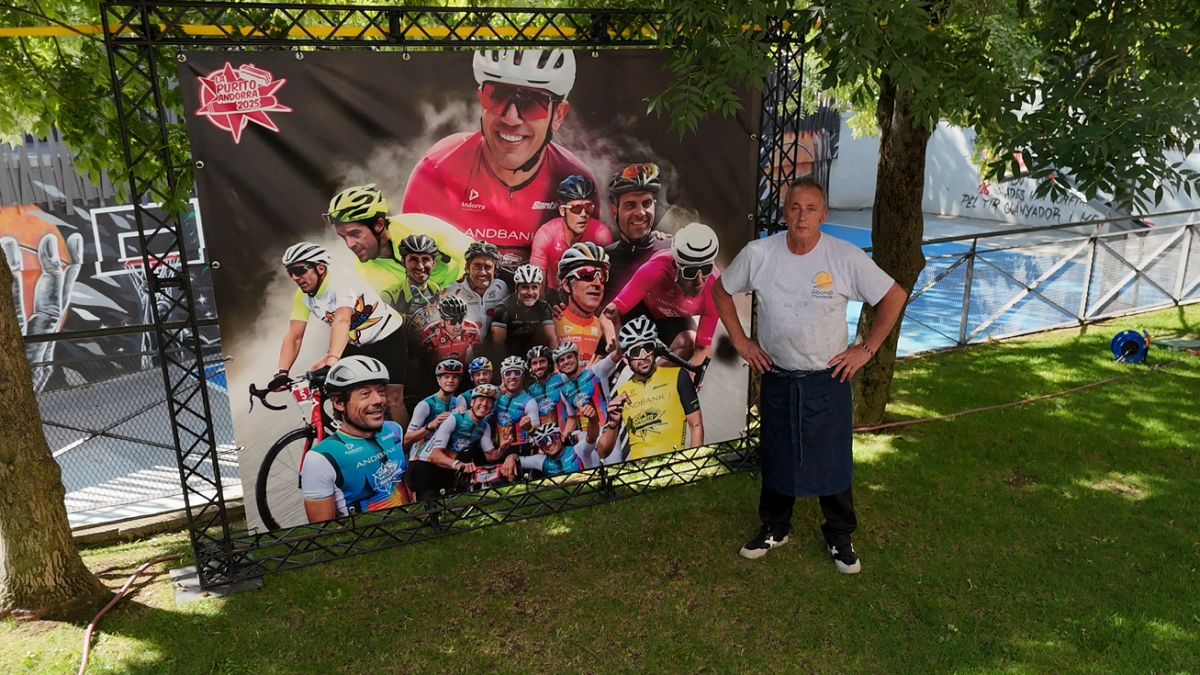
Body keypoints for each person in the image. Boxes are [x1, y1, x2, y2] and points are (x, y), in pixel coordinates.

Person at [711, 176, 907, 572]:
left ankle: (840, 535)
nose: (802, 216)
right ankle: (774, 527)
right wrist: (742, 342)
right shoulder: (759, 254)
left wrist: (865, 350)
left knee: (833, 459)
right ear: (785, 212)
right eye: (795, 207)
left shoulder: (843, 256)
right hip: (777, 374)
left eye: (811, 209)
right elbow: (720, 290)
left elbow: (894, 295)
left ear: (823, 215)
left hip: (827, 379)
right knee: (776, 454)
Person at [402, 49, 597, 271]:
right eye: (496, 96)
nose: (511, 118)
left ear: (558, 115)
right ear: (481, 99)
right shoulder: (438, 170)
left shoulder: (576, 180)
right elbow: (410, 270)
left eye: (531, 103)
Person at [271, 242, 410, 425]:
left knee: (391, 399)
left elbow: (342, 321)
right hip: (354, 345)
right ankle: (349, 430)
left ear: (320, 268)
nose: (295, 277)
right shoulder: (303, 296)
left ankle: (408, 443)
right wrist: (281, 372)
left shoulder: (341, 283)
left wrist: (332, 361)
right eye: (290, 272)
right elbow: (294, 336)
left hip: (386, 339)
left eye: (299, 270)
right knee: (323, 380)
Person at [299, 356, 413, 522]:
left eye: (381, 391)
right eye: (365, 394)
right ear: (339, 403)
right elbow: (322, 531)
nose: (378, 400)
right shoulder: (320, 459)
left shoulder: (394, 429)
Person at [325, 184, 472, 306]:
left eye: (355, 234)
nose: (349, 244)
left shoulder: (417, 226)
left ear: (378, 225)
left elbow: (470, 252)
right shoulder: (364, 273)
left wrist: (460, 288)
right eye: (343, 236)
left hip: (465, 291)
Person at [604, 222, 721, 367]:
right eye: (690, 272)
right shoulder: (656, 268)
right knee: (608, 347)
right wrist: (614, 337)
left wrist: (692, 375)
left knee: (688, 345)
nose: (699, 282)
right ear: (675, 266)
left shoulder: (715, 290)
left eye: (706, 270)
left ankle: (648, 379)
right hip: (643, 307)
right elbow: (612, 310)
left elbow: (702, 348)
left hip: (671, 318)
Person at [596, 316, 703, 464]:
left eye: (647, 348)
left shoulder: (679, 376)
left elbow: (696, 425)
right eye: (635, 352)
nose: (643, 356)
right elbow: (602, 452)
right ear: (626, 359)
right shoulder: (622, 393)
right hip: (639, 472)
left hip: (673, 466)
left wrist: (694, 464)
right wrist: (613, 424)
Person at [406, 383, 499, 501]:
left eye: (489, 402)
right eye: (480, 400)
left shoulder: (484, 426)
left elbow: (491, 456)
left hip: (447, 467)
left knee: (454, 505)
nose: (484, 404)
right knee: (431, 507)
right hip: (425, 465)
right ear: (471, 403)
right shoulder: (453, 418)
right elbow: (435, 455)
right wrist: (458, 464)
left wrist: (504, 448)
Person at [529, 175, 613, 292]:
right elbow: (536, 285)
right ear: (562, 210)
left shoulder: (601, 235)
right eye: (576, 208)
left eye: (588, 207)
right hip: (555, 294)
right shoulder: (546, 234)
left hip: (587, 295)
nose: (583, 214)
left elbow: (608, 281)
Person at [603, 163, 670, 304]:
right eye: (630, 205)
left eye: (646, 203)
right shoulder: (603, 261)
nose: (640, 212)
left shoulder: (674, 253)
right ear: (614, 212)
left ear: (654, 206)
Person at [549, 340, 617, 468]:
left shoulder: (596, 371)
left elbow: (618, 354)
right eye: (562, 360)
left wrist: (614, 334)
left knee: (615, 469)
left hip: (606, 430)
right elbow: (572, 417)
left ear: (577, 357)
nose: (566, 361)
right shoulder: (564, 391)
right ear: (558, 366)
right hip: (585, 438)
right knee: (591, 475)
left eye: (569, 357)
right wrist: (564, 434)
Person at [553, 242, 611, 364]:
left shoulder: (607, 330)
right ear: (567, 285)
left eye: (602, 275)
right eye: (587, 274)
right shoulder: (550, 325)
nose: (597, 283)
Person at [442, 241, 509, 335]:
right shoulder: (452, 290)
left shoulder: (502, 287)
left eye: (488, 267)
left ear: (495, 270)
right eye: (477, 267)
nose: (483, 272)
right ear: (467, 269)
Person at [491, 263, 557, 358]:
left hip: (532, 356)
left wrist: (554, 364)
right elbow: (498, 344)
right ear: (516, 288)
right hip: (508, 356)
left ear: (540, 288)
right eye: (525, 287)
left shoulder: (544, 307)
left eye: (534, 287)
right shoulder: (503, 309)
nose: (530, 292)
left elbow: (551, 339)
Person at [404, 358, 463, 451]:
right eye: (446, 377)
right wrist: (429, 426)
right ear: (438, 379)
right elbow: (406, 440)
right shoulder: (426, 405)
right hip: (422, 454)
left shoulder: (458, 402)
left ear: (459, 380)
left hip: (447, 452)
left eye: (454, 377)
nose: (450, 380)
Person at [504, 421, 594, 479]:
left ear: (561, 437)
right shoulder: (541, 461)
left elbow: (592, 437)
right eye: (543, 442)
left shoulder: (577, 450)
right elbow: (516, 458)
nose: (548, 443)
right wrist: (509, 458)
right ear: (540, 447)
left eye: (552, 437)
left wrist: (592, 419)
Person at [493, 356, 541, 457]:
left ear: (522, 377)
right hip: (499, 450)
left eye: (517, 372)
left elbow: (538, 436)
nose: (512, 376)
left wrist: (530, 428)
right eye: (508, 373)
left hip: (520, 452)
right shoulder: (496, 397)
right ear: (502, 378)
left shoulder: (529, 402)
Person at [395, 233, 443, 331]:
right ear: (403, 262)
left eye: (425, 259)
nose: (420, 266)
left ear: (434, 263)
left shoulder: (435, 288)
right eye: (413, 259)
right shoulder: (390, 296)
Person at [419, 294, 481, 362]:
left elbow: (480, 356)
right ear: (442, 322)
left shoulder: (472, 330)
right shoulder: (429, 335)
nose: (458, 326)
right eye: (452, 321)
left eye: (460, 320)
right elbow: (423, 364)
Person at [524, 345, 564, 422]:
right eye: (534, 363)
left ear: (549, 363)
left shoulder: (561, 378)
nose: (538, 366)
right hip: (543, 428)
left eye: (542, 361)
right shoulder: (531, 390)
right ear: (530, 367)